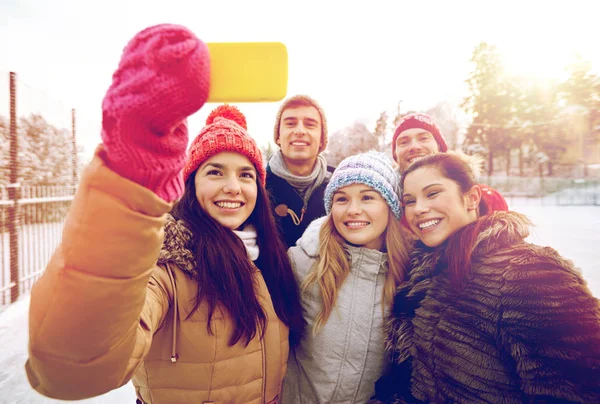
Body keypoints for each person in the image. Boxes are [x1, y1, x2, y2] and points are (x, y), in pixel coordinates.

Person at [25, 24, 304, 404]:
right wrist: (132, 176)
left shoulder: (271, 260)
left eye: (246, 175)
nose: (233, 187)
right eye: (215, 172)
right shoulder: (168, 265)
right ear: (190, 184)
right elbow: (70, 370)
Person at [372, 152, 600, 403]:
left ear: (471, 198)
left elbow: (580, 387)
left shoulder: (527, 271)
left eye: (433, 193)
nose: (419, 209)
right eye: (410, 201)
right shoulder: (419, 276)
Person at [283, 151, 411, 403]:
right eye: (342, 199)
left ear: (390, 205)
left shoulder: (410, 276)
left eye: (367, 197)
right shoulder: (301, 262)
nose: (353, 210)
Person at [392, 112, 508, 213]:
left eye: (424, 138)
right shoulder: (385, 207)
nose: (414, 146)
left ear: (440, 148)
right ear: (395, 155)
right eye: (403, 142)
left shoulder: (488, 200)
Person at [266, 94, 335, 248]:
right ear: (278, 136)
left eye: (310, 124)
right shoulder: (257, 186)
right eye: (290, 123)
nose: (300, 131)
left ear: (322, 139)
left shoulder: (339, 188)